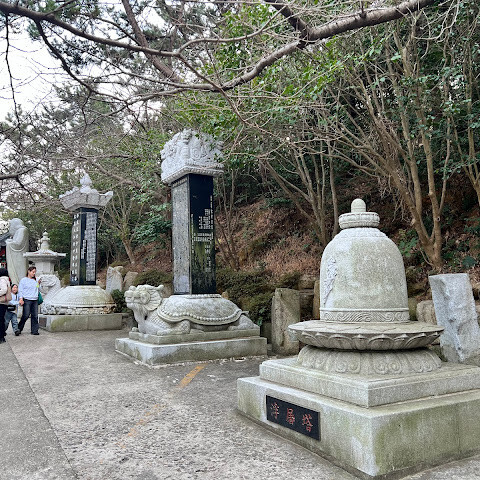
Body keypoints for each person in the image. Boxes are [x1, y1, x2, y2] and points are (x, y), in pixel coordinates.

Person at [18, 266, 41, 335]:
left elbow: (38, 289)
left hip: (35, 299)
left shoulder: (36, 280)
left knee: (35, 315)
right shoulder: (23, 280)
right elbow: (20, 290)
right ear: (29, 271)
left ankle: (34, 330)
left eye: (35, 272)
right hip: (27, 299)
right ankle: (19, 328)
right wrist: (21, 298)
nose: (34, 273)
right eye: (33, 272)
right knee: (26, 315)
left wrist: (38, 284)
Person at [0, 267, 11, 343]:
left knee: (0, 320)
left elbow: (4, 290)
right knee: (2, 319)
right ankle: (2, 334)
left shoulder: (2, 279)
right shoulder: (7, 279)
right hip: (4, 302)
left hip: (1, 302)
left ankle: (1, 337)